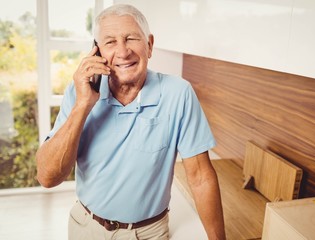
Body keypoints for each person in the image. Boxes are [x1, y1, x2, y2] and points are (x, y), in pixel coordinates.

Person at [36, 4, 225, 240]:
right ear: (96, 52)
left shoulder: (179, 93)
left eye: (131, 38)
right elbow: (47, 177)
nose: (123, 52)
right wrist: (83, 105)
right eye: (110, 42)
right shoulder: (79, 93)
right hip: (85, 227)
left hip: (148, 233)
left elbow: (201, 177)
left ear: (150, 45)